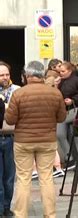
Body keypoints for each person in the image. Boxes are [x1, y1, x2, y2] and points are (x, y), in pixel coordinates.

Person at [5, 61, 66, 218]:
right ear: (42, 74)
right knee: (46, 178)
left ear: (26, 75)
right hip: (47, 141)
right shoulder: (55, 93)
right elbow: (61, 117)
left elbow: (10, 120)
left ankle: (20, 215)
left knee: (24, 179)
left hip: (23, 142)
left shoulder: (18, 94)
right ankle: (50, 215)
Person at [0, 61, 19, 217]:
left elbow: (17, 112)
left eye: (7, 74)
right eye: (1, 75)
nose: (5, 77)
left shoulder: (17, 91)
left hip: (10, 137)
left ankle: (6, 206)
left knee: (9, 176)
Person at [57, 62, 78, 169]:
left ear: (70, 71)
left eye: (63, 71)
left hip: (75, 109)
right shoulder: (60, 81)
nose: (61, 74)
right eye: (60, 72)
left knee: (77, 135)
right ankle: (70, 157)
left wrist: (73, 100)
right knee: (60, 134)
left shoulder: (77, 80)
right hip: (64, 110)